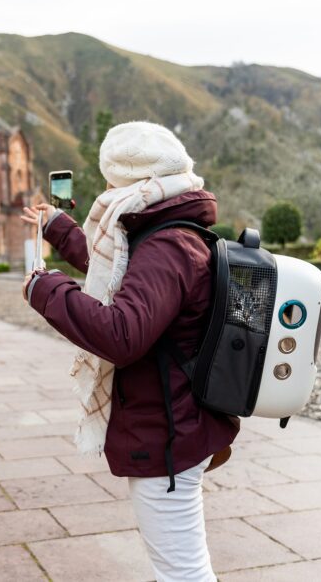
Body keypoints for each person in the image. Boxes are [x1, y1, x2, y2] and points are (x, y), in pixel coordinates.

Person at [22, 121, 238, 582]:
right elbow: (121, 271)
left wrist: (46, 289)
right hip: (174, 421)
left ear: (128, 180)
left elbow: (122, 333)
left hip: (167, 431)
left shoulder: (168, 244)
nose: (104, 189)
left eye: (109, 178)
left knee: (183, 573)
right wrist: (59, 228)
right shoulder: (167, 230)